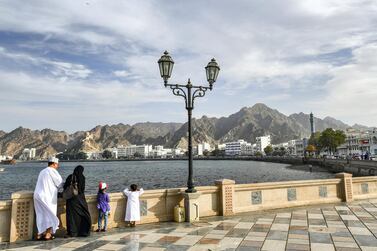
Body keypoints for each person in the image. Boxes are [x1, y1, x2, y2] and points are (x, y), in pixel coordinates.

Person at [34, 156, 63, 241]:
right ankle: (47, 234)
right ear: (54, 164)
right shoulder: (52, 171)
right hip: (48, 197)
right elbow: (59, 183)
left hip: (37, 195)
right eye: (57, 164)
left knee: (41, 214)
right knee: (50, 215)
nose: (57, 166)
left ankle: (39, 234)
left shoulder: (42, 171)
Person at [63, 165, 91, 237]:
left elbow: (65, 186)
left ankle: (72, 232)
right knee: (83, 214)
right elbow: (82, 189)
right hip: (81, 199)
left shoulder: (71, 177)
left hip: (71, 199)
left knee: (72, 216)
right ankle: (83, 231)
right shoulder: (82, 177)